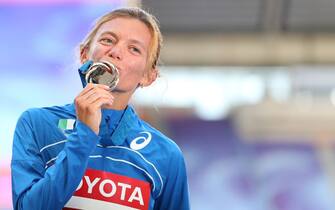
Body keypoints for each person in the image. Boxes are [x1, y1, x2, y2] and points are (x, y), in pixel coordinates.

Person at [11, 7, 190, 210]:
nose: (115, 52)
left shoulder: (166, 154)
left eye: (134, 49)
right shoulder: (37, 123)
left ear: (148, 76)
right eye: (107, 40)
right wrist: (84, 134)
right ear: (84, 54)